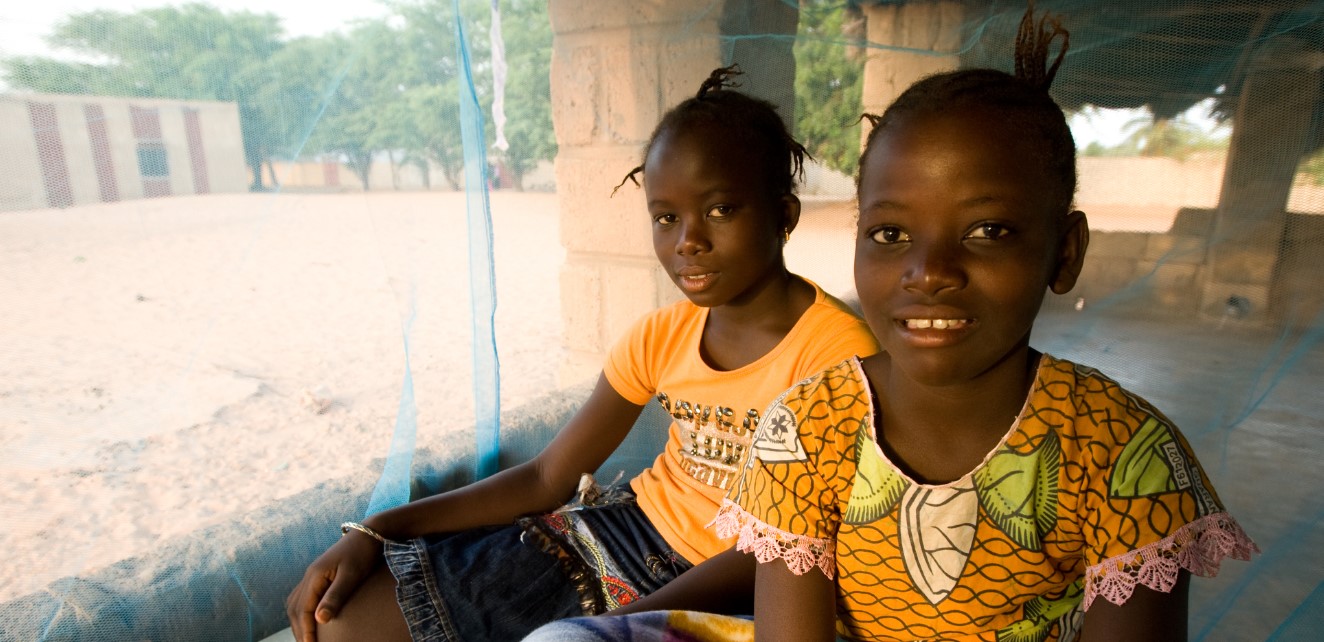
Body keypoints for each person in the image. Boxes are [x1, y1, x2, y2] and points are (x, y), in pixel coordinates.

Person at [524, 5, 1258, 642]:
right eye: (890, 235)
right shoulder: (810, 426)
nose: (929, 270)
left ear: (1063, 253)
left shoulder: (1128, 455)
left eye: (989, 230)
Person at [284, 65, 880, 642]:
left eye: (720, 209)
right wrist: (376, 530)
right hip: (615, 532)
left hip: (737, 578)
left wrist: (619, 625)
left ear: (784, 215)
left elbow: (793, 548)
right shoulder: (660, 335)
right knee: (345, 622)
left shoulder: (836, 354)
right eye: (666, 217)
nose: (688, 241)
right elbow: (549, 476)